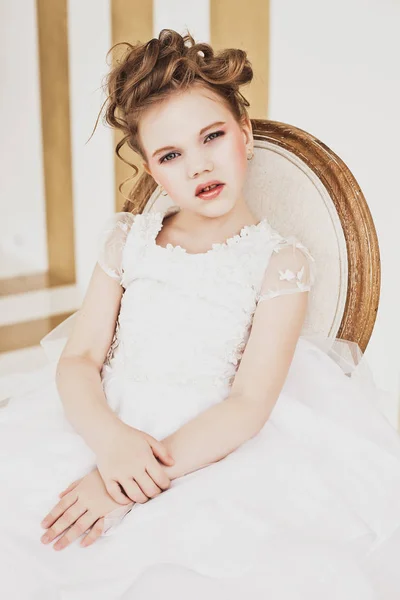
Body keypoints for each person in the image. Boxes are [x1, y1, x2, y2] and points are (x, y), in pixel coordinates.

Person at [0, 28, 399, 600]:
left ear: (244, 133)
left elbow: (247, 405)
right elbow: (81, 358)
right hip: (105, 423)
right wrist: (111, 444)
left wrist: (127, 486)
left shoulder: (279, 264)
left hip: (206, 448)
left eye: (212, 137)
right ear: (151, 170)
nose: (198, 166)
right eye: (170, 155)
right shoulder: (128, 241)